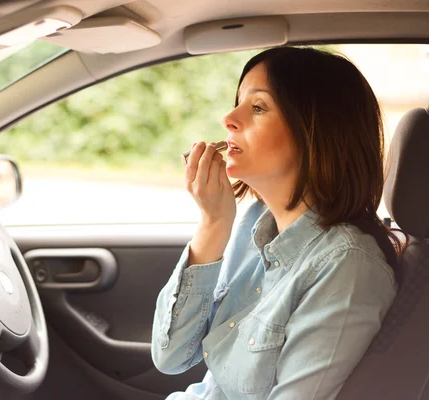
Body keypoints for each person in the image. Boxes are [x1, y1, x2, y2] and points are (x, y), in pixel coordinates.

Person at [151, 46, 405, 400]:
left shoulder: (347, 265)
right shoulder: (256, 222)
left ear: (315, 131)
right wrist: (213, 222)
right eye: (238, 102)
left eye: (257, 107)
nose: (229, 118)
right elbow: (172, 356)